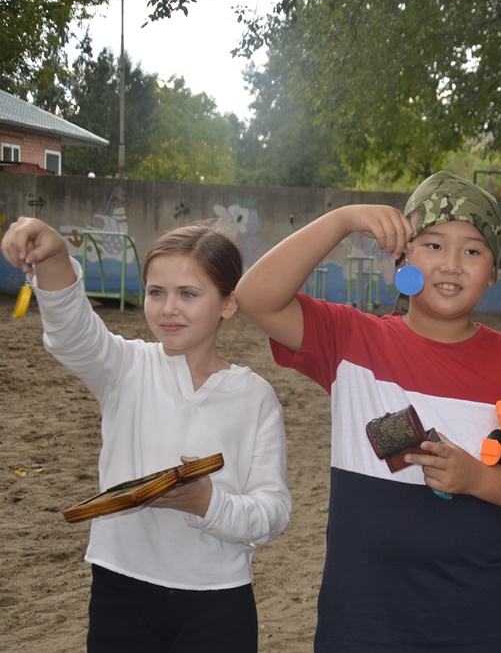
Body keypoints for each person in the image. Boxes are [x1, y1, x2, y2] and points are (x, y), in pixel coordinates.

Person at [235, 171, 501, 652]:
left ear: (493, 272)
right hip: (364, 617)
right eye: (433, 245)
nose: (452, 264)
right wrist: (342, 220)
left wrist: (479, 479)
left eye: (473, 250)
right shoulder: (352, 340)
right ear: (403, 257)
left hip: (480, 618)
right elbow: (256, 298)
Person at [1, 217, 291, 653]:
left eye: (188, 293)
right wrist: (56, 257)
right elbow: (72, 333)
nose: (168, 307)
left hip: (219, 600)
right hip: (121, 589)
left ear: (228, 303)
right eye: (156, 292)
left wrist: (208, 503)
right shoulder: (124, 367)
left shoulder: (255, 396)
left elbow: (273, 512)